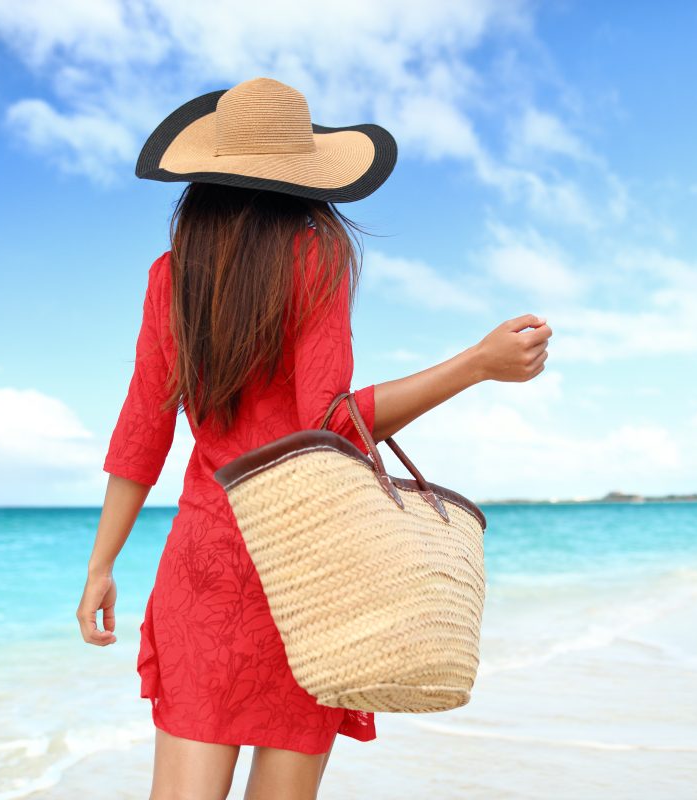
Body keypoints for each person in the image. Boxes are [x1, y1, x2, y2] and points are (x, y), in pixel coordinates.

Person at [76, 77, 551, 800]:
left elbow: (143, 426)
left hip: (201, 569)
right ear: (306, 178)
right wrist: (473, 366)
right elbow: (328, 424)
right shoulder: (316, 258)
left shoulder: (171, 279)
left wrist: (101, 564)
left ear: (206, 175)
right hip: (302, 575)